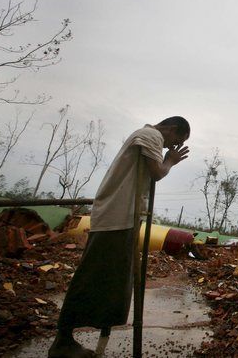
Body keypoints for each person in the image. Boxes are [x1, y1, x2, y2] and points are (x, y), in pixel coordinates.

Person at [48, 117, 190, 358]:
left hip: (122, 218)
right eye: (177, 140)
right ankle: (62, 341)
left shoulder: (147, 137)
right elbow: (156, 172)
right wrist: (170, 162)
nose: (172, 147)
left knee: (110, 280)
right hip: (116, 219)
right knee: (91, 276)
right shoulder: (151, 136)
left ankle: (77, 335)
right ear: (172, 129)